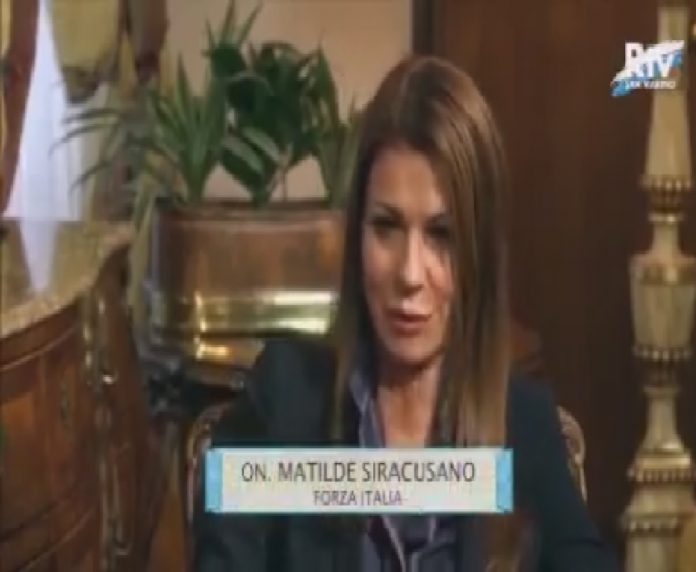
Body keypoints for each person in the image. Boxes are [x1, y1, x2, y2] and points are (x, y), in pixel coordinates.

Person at [194, 55, 617, 571]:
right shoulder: (285, 400)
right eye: (387, 228)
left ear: (479, 254)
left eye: (442, 235)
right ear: (356, 236)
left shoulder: (524, 427)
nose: (410, 273)